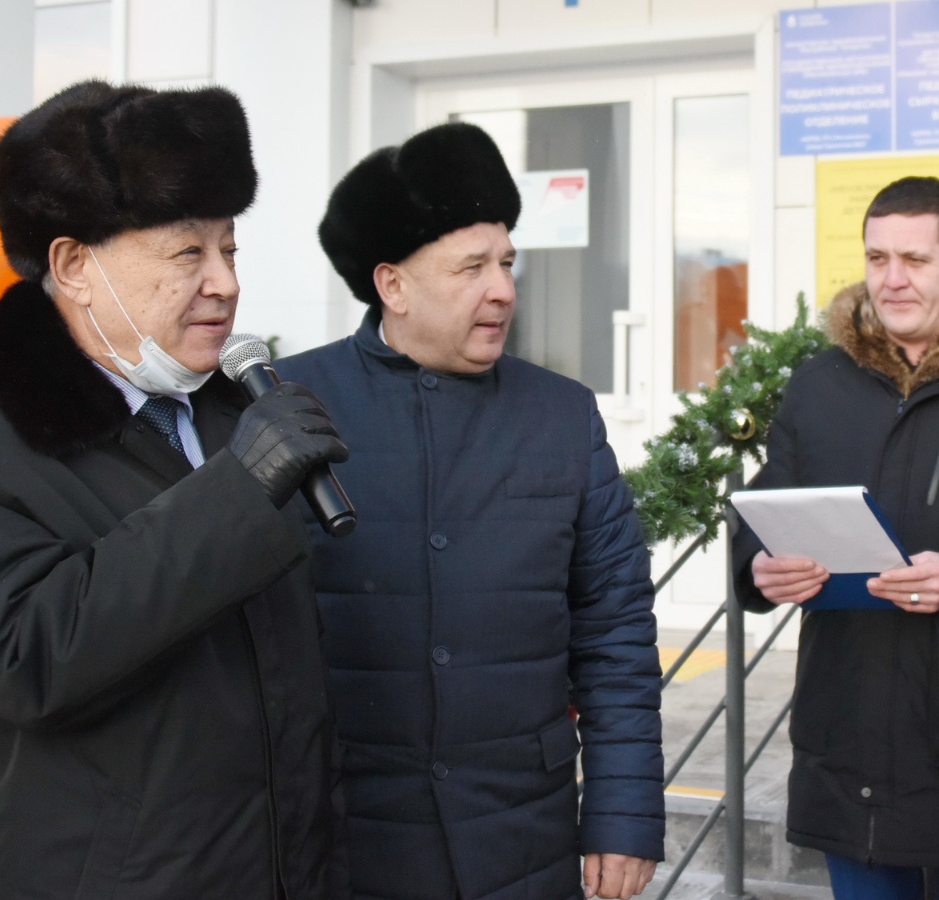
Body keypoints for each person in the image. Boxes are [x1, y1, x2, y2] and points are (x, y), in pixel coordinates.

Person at [0, 81, 350, 899]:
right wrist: (238, 491)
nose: (224, 283)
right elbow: (28, 658)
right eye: (186, 254)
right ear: (75, 267)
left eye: (230, 250)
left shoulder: (233, 410)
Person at [274, 122, 663, 900]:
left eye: (508, 263)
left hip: (522, 838)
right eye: (472, 267)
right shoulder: (289, 408)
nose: (504, 290)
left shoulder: (562, 415)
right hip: (347, 839)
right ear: (393, 286)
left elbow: (614, 628)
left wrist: (622, 812)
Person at [730, 177, 939, 900]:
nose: (891, 279)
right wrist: (757, 566)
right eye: (877, 258)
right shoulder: (818, 383)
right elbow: (762, 506)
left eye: (914, 260)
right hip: (844, 741)